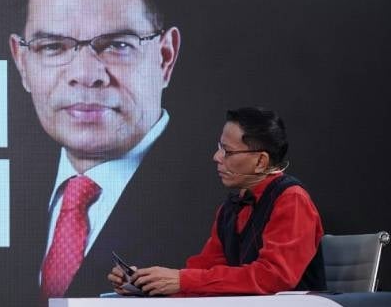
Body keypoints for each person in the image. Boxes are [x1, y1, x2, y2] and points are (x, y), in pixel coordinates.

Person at [11, 0, 205, 297]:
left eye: (117, 45)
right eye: (53, 46)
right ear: (22, 62)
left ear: (165, 57)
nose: (86, 74)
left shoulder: (224, 205)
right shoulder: (2, 195)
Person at [108, 108, 325, 296]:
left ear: (261, 161)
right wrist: (148, 282)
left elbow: (273, 277)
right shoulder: (230, 208)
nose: (216, 157)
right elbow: (205, 270)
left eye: (227, 151)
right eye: (219, 147)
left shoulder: (291, 199)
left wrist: (182, 281)